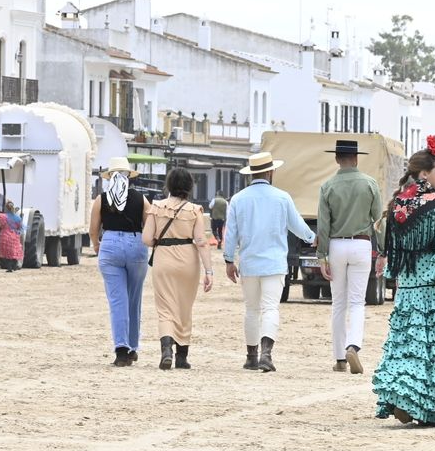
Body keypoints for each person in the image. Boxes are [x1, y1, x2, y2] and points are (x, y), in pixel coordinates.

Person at [373, 136, 435, 425]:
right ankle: (425, 409)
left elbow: (393, 251)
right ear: (424, 174)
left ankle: (403, 398)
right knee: (430, 349)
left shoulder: (398, 203)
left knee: (404, 344)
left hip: (407, 287)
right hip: (430, 288)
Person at [223, 151, 314, 372]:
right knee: (271, 308)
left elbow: (231, 234)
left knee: (251, 309)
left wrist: (228, 260)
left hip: (249, 263)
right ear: (271, 172)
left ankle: (251, 357)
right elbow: (297, 225)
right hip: (274, 263)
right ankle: (266, 354)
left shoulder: (238, 199)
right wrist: (312, 238)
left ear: (251, 174)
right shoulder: (282, 197)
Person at [316, 139, 385, 374]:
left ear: (337, 159)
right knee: (357, 302)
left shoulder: (327, 186)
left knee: (338, 303)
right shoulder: (370, 184)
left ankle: (339, 359)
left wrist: (322, 256)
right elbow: (378, 222)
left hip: (336, 245)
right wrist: (382, 251)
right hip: (362, 245)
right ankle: (353, 345)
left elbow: (323, 225)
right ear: (356, 159)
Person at [143, 167, 213, 370]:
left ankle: (166, 350)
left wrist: (161, 241)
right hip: (187, 259)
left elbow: (146, 239)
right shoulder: (195, 210)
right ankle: (182, 356)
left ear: (169, 185)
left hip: (163, 258)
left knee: (165, 308)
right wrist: (209, 271)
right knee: (184, 307)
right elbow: (201, 241)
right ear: (189, 186)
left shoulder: (156, 207)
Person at [89, 156, 149, 366]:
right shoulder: (141, 199)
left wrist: (97, 245)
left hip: (110, 244)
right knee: (134, 299)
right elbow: (150, 225)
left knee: (117, 301)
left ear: (109, 177)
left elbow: (93, 229)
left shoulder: (102, 199)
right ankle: (133, 347)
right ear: (128, 177)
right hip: (136, 244)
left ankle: (121, 350)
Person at [0, 199, 24, 272]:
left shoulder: (2, 216)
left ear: (6, 208)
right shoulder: (17, 217)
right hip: (15, 237)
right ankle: (14, 266)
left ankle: (9, 268)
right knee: (14, 251)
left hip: (5, 236)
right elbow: (20, 227)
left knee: (7, 253)